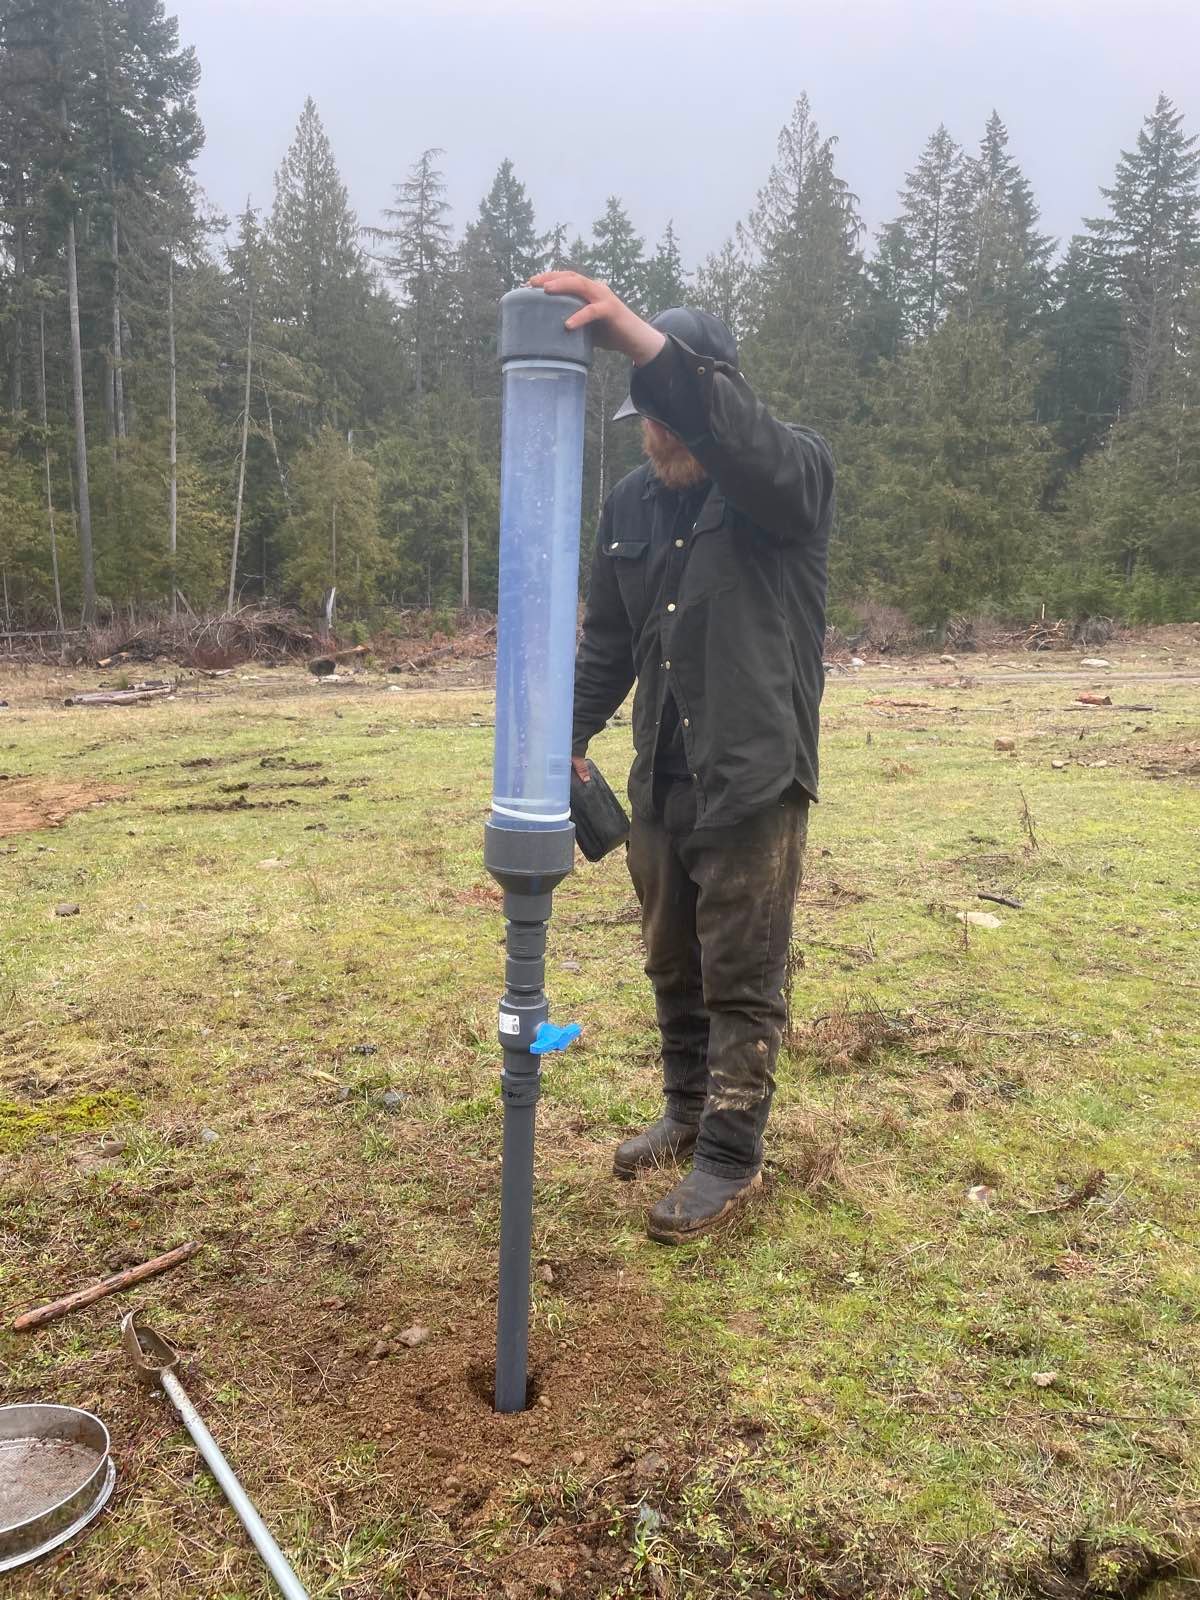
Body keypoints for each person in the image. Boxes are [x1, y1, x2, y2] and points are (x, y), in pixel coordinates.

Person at [531, 270, 835, 1245]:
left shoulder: (784, 484)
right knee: (671, 958)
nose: (655, 438)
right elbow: (609, 645)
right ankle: (686, 1107)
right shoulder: (630, 503)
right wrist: (564, 736)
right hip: (663, 772)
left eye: (670, 416)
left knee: (740, 970)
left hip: (752, 774)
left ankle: (732, 1155)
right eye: (646, 421)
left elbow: (736, 437)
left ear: (708, 404)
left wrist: (643, 345)